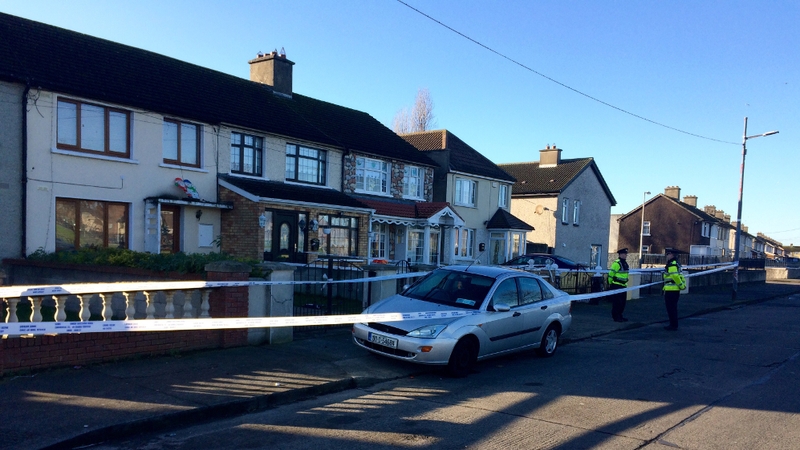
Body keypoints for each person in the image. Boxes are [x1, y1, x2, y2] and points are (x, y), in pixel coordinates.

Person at [662, 248, 687, 331]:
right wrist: (682, 285)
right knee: (673, 308)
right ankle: (674, 324)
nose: (667, 256)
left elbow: (675, 276)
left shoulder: (672, 264)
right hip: (675, 290)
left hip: (671, 290)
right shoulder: (677, 263)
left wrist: (681, 285)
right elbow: (681, 276)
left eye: (668, 254)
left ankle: (673, 325)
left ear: (671, 254)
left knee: (671, 308)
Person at [608, 248, 630, 322]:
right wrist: (611, 283)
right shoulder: (617, 263)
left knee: (622, 303)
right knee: (617, 303)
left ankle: (620, 316)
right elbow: (611, 274)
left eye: (626, 254)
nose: (625, 255)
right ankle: (616, 317)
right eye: (624, 254)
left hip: (623, 286)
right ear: (620, 254)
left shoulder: (625, 263)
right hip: (617, 285)